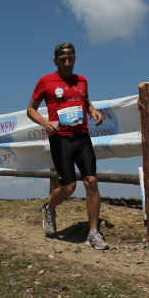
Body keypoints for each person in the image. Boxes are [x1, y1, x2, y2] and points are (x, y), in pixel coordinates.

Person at [27, 43, 109, 250]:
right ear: (55, 61)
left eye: (70, 59)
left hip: (82, 137)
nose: (66, 63)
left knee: (91, 182)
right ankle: (49, 207)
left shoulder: (82, 80)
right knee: (69, 187)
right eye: (62, 59)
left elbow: (85, 101)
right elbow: (31, 109)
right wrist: (45, 123)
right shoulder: (45, 81)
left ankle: (93, 232)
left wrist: (93, 111)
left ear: (74, 59)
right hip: (60, 139)